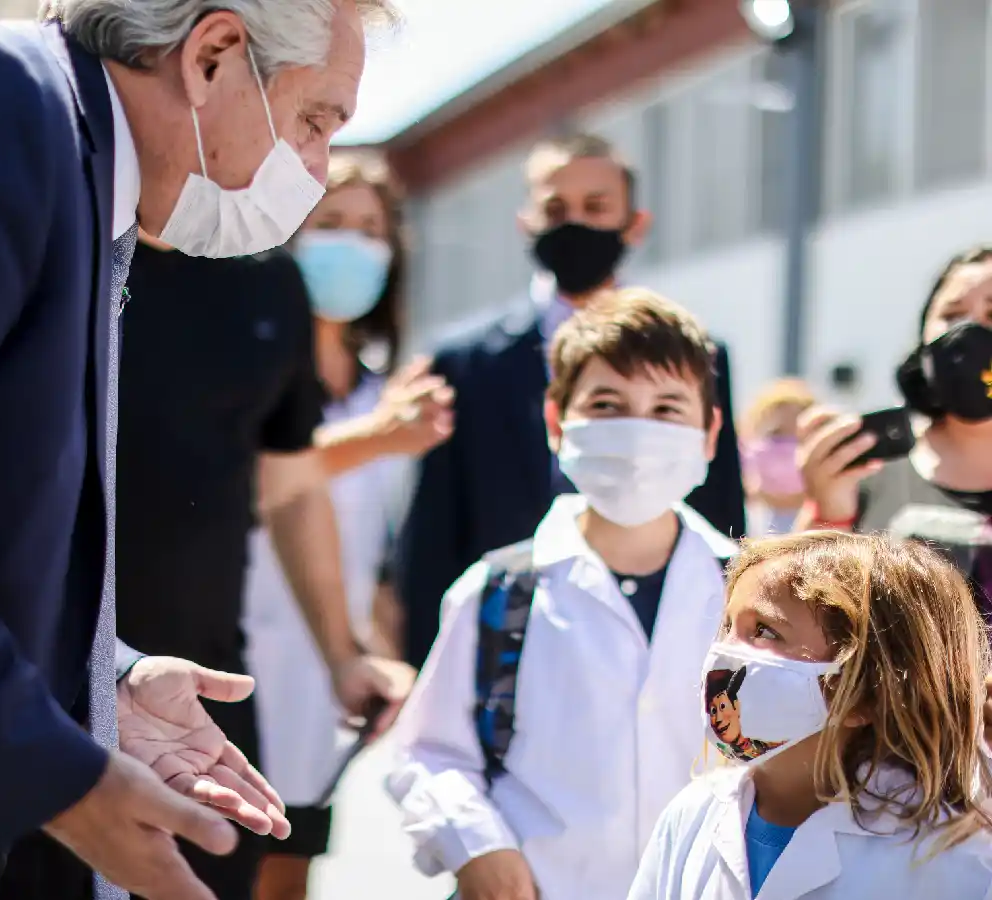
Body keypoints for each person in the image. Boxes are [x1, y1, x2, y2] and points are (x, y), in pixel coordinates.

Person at [0, 0, 392, 897]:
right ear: (214, 54)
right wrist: (49, 774)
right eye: (315, 120)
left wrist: (101, 681)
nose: (319, 167)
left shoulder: (74, 171)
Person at [386, 289, 737, 900]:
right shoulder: (498, 592)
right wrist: (478, 846)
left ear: (709, 434)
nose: (637, 432)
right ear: (556, 423)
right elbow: (430, 751)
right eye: (607, 405)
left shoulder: (752, 593)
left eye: (666, 408)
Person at [115, 213, 426, 899]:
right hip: (55, 686)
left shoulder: (270, 284)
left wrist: (343, 656)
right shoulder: (67, 244)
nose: (303, 167)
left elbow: (292, 489)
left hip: (206, 697)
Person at [396, 132, 746, 670]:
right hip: (509, 641)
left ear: (635, 223)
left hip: (665, 637)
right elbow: (434, 535)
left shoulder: (700, 354)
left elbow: (721, 510)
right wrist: (427, 663)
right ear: (527, 222)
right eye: (556, 209)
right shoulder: (465, 363)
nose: (575, 224)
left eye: (596, 207)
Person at [243, 152, 449, 900]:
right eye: (330, 223)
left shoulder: (382, 390)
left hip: (323, 681)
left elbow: (380, 552)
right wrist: (377, 438)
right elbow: (256, 479)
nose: (352, 245)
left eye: (370, 230)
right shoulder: (248, 357)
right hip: (234, 662)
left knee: (291, 869)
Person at [628, 531, 992, 900]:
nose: (725, 652)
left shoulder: (955, 866)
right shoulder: (691, 817)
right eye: (727, 625)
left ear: (863, 694)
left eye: (764, 630)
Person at [796, 244, 992, 613]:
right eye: (952, 315)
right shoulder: (865, 469)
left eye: (991, 315)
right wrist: (829, 514)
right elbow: (798, 613)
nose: (968, 333)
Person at [740, 378, 815, 536]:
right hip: (766, 518)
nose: (788, 417)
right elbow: (750, 485)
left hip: (806, 516)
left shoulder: (812, 446)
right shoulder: (759, 448)